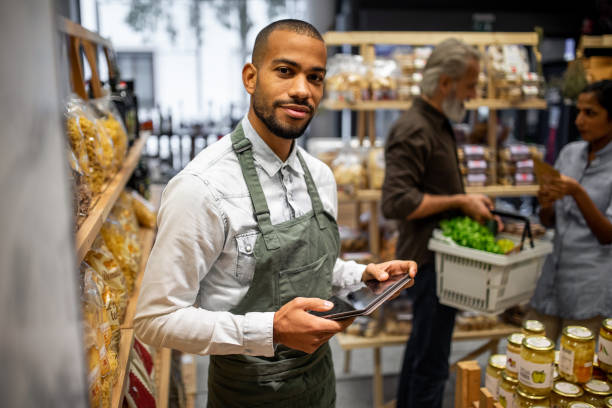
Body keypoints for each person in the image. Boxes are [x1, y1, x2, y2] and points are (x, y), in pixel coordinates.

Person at [134, 19, 417, 408]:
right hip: (246, 395)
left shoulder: (320, 176)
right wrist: (271, 330)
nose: (302, 90)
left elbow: (305, 266)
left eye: (315, 77)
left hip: (319, 386)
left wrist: (362, 276)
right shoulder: (202, 187)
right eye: (285, 71)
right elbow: (156, 318)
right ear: (251, 77)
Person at [381, 38, 496, 408]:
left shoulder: (437, 123)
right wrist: (461, 200)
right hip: (429, 263)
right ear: (445, 83)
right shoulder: (415, 128)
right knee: (431, 365)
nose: (473, 94)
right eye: (470, 85)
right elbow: (397, 202)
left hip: (437, 260)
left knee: (422, 353)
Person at [528, 80, 612, 339]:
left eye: (590, 113)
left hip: (589, 286)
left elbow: (607, 235)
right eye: (578, 111)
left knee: (576, 371)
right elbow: (551, 220)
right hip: (551, 280)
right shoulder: (570, 153)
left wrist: (577, 192)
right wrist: (546, 203)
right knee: (529, 357)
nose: (579, 121)